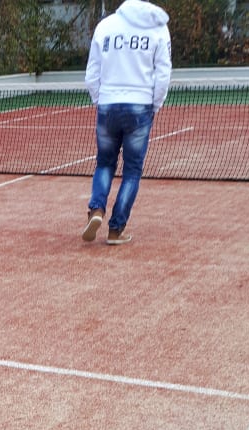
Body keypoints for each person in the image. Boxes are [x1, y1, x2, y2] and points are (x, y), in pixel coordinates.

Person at [82, 0, 172, 246]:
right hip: (140, 106)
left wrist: (100, 100)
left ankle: (96, 209)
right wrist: (154, 105)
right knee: (132, 171)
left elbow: (92, 74)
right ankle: (116, 230)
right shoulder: (158, 27)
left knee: (104, 163)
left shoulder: (105, 26)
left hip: (108, 105)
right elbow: (163, 73)